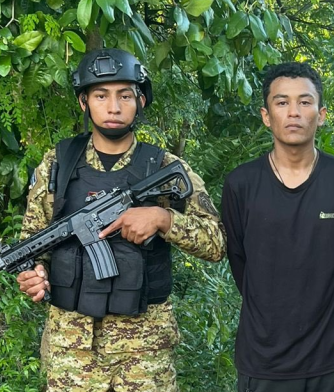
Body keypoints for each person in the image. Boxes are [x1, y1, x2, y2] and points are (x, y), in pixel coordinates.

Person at [15, 48, 226, 391]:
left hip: (145, 352)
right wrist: (32, 275)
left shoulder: (163, 167)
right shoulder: (56, 163)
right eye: (101, 95)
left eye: (125, 96)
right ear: (84, 103)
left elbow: (216, 241)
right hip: (71, 350)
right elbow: (33, 240)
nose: (113, 107)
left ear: (140, 101)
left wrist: (163, 218)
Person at [221, 62, 334, 392]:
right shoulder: (241, 184)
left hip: (327, 357)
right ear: (266, 115)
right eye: (282, 102)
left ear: (321, 114)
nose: (293, 112)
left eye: (304, 102)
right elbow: (240, 264)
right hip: (263, 359)